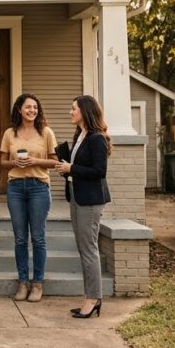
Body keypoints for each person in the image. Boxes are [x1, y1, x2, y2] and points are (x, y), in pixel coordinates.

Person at [54, 95, 112, 319]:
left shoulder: (97, 138)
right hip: (77, 196)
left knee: (89, 249)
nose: (70, 112)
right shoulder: (80, 135)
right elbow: (78, 167)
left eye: (73, 109)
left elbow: (99, 172)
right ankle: (89, 296)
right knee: (83, 248)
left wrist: (72, 168)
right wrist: (67, 168)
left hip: (91, 200)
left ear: (85, 111)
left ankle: (94, 299)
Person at [0, 94, 58, 302]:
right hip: (15, 188)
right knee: (20, 238)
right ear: (19, 110)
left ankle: (38, 283)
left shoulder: (46, 133)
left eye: (35, 107)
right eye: (28, 107)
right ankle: (23, 282)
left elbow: (55, 162)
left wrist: (35, 161)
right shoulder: (9, 133)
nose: (32, 110)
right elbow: (3, 162)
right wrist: (15, 163)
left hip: (39, 188)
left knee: (38, 237)